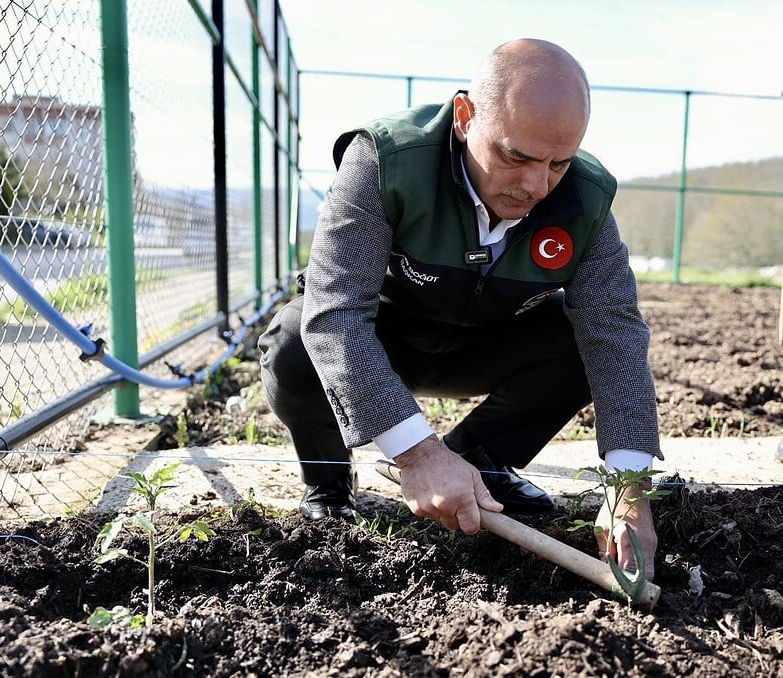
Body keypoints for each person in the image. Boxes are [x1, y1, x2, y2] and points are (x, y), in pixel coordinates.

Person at [258, 38, 662, 579]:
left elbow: (613, 332)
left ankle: (474, 461)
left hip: (488, 341)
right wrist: (416, 455)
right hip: (384, 341)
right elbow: (336, 314)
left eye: (558, 163)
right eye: (516, 156)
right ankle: (329, 480)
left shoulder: (584, 202)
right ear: (466, 117)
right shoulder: (387, 162)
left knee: (581, 339)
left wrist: (628, 489)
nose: (536, 186)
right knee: (294, 340)